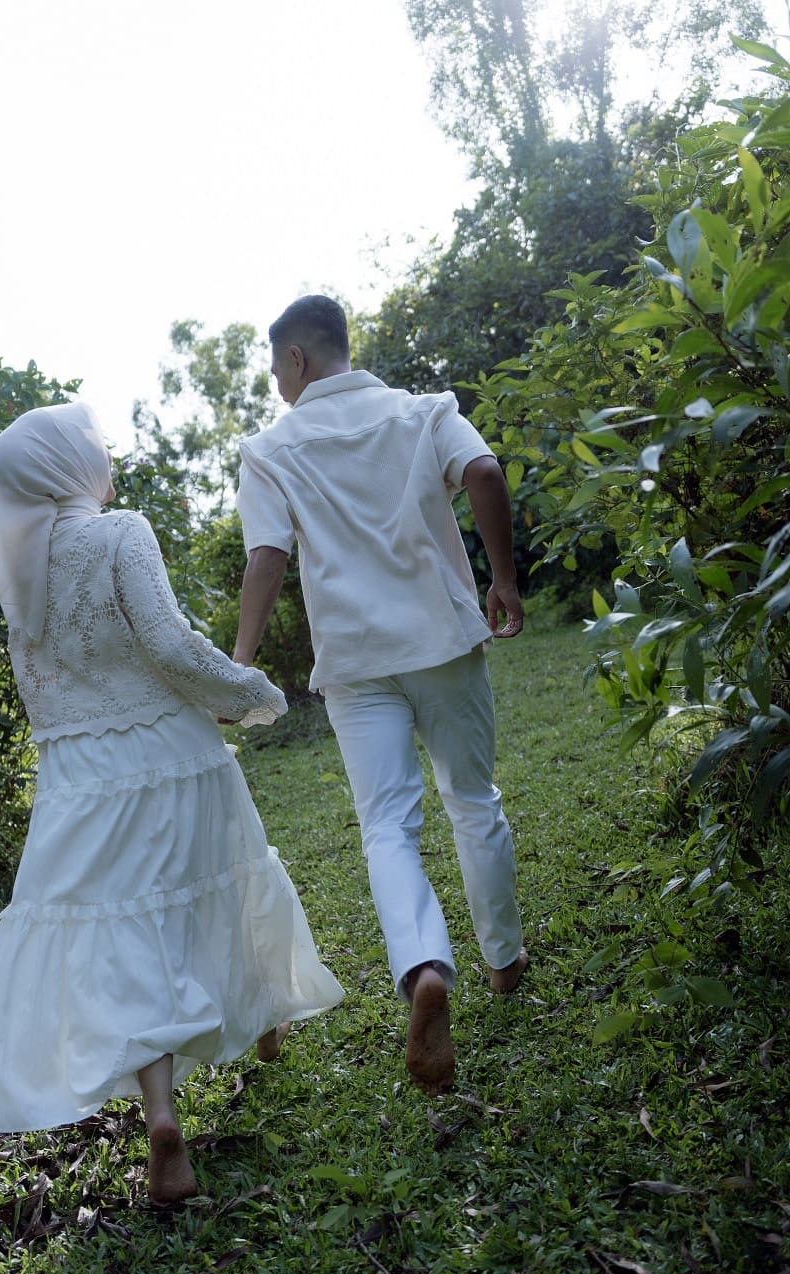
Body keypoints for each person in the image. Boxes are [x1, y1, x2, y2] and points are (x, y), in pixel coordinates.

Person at [0, 401, 342, 1204]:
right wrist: (248, 691)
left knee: (125, 936)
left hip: (77, 773)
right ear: (70, 465)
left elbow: (40, 688)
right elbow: (168, 643)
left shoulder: (19, 566)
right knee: (223, 883)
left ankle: (162, 1114)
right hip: (169, 752)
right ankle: (265, 1019)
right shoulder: (120, 532)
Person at [232, 295, 526, 1098]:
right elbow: (484, 472)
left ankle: (425, 967)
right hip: (443, 641)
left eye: (276, 369)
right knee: (473, 799)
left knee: (387, 827)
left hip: (356, 665)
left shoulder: (270, 451)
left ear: (296, 359)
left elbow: (266, 556)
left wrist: (242, 663)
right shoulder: (422, 412)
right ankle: (503, 961)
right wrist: (501, 579)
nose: (277, 384)